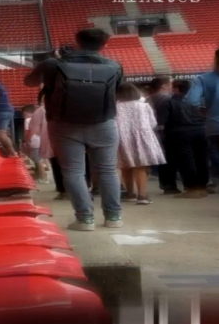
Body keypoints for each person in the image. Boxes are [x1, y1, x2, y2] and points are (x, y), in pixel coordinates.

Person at [25, 28, 123, 231]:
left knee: (73, 172)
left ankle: (85, 219)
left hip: (63, 124)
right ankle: (113, 217)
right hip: (103, 122)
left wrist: (52, 60)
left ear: (76, 42)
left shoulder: (53, 64)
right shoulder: (114, 66)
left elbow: (29, 82)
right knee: (107, 170)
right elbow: (117, 91)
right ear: (104, 45)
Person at [116, 83, 166, 205]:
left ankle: (130, 193)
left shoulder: (115, 107)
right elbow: (153, 123)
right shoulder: (144, 106)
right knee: (141, 166)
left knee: (125, 166)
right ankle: (142, 196)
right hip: (142, 137)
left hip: (122, 138)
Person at [158, 80, 208, 198]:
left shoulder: (169, 102)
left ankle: (192, 187)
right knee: (201, 159)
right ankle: (202, 185)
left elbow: (162, 122)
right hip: (202, 130)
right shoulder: (199, 102)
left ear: (176, 89)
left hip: (180, 132)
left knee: (186, 160)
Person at [187, 48, 219, 192]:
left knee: (215, 152)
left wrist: (202, 111)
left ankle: (217, 180)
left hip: (215, 124)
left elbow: (191, 101)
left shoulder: (202, 79)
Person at [145, 76, 179, 194]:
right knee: (170, 159)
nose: (172, 87)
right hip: (166, 132)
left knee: (163, 160)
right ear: (164, 86)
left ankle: (166, 184)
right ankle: (170, 185)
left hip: (153, 132)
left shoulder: (147, 100)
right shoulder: (167, 99)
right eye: (170, 85)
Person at [22, 104, 48, 184]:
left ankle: (43, 178)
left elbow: (28, 132)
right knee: (40, 158)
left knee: (37, 159)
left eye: (23, 114)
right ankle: (43, 172)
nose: (23, 116)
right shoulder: (40, 119)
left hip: (34, 141)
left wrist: (26, 140)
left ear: (26, 112)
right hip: (42, 141)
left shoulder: (28, 120)